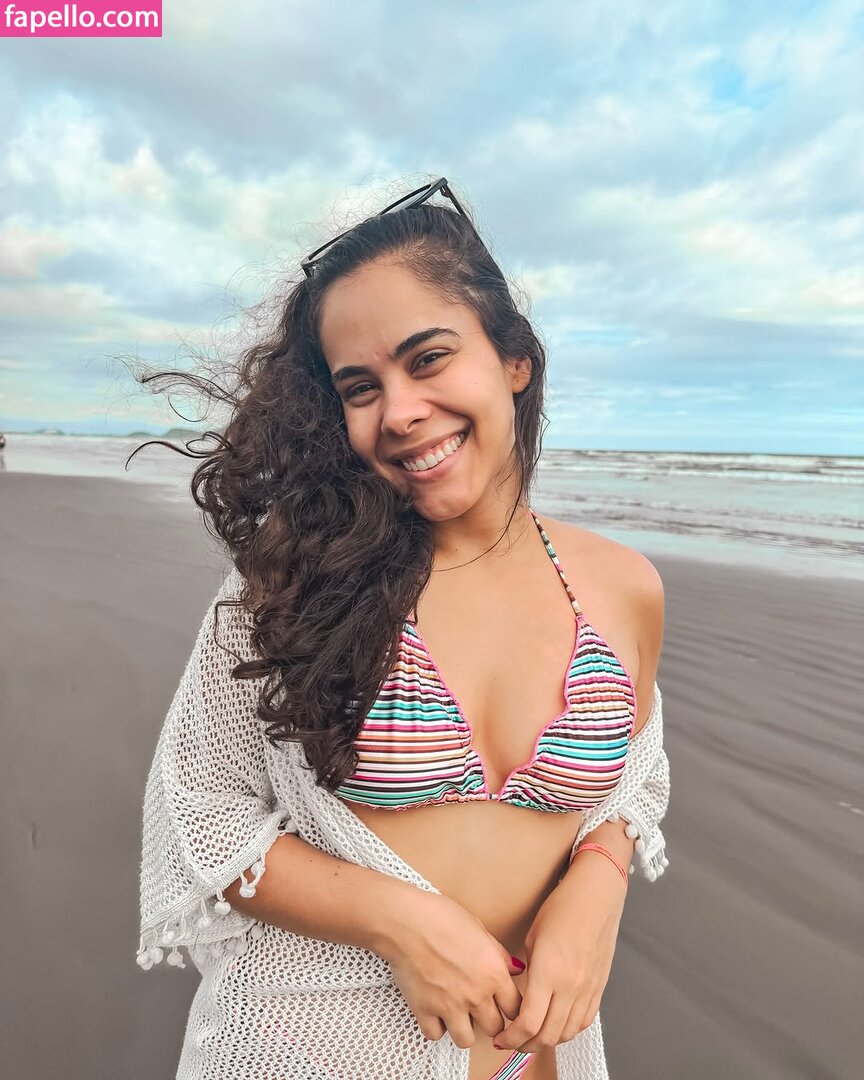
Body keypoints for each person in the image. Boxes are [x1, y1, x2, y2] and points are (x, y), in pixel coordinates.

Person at [136, 177, 670, 1080]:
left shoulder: (622, 587)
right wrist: (401, 923)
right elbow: (201, 811)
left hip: (536, 1058)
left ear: (514, 359)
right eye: (360, 387)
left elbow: (636, 770)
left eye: (428, 358)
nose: (399, 411)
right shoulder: (294, 584)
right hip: (306, 1049)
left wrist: (601, 877)